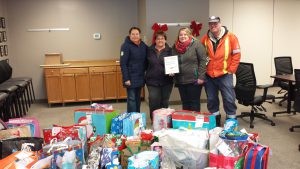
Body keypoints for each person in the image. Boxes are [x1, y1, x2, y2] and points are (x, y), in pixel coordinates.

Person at [201, 16, 241, 126]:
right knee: (211, 99)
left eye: (215, 23)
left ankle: (231, 120)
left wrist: (231, 70)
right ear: (209, 25)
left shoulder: (231, 37)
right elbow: (202, 56)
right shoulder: (205, 38)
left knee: (229, 98)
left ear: (220, 24)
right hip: (210, 75)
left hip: (225, 74)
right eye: (211, 24)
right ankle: (215, 121)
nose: (213, 26)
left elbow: (236, 55)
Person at [172, 27, 208, 112]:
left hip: (194, 80)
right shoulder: (175, 46)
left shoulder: (196, 44)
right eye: (181, 35)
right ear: (178, 36)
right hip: (181, 80)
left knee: (194, 103)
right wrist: (171, 70)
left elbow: (204, 60)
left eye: (185, 34)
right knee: (185, 103)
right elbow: (172, 60)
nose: (183, 36)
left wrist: (201, 77)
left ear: (189, 35)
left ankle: (195, 123)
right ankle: (187, 122)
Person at [145, 31, 173, 122]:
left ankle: (164, 121)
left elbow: (174, 64)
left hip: (166, 81)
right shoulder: (149, 50)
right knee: (153, 100)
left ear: (165, 40)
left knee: (164, 101)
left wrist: (173, 72)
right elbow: (145, 64)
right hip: (152, 81)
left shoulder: (171, 50)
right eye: (158, 38)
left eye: (162, 38)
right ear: (155, 40)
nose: (160, 40)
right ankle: (154, 120)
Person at [120, 27, 147, 113]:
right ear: (129, 35)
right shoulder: (125, 46)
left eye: (137, 34)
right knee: (131, 99)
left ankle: (137, 117)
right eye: (133, 34)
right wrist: (126, 78)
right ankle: (131, 118)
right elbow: (123, 63)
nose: (135, 36)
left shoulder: (142, 45)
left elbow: (150, 53)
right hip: (130, 77)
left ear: (139, 35)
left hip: (140, 76)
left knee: (137, 98)